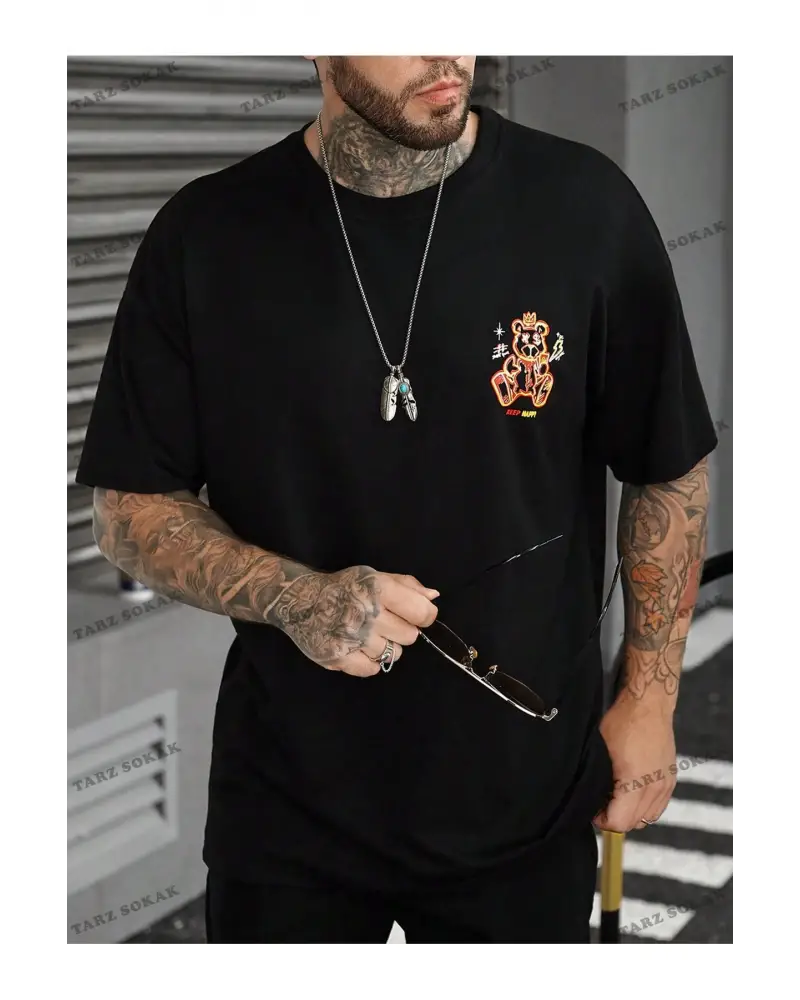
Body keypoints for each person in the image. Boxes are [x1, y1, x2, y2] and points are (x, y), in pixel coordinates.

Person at [76, 55, 717, 943]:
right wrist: (298, 597)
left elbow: (667, 467)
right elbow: (129, 506)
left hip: (525, 798)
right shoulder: (208, 234)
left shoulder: (584, 207)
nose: (446, 48)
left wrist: (648, 701)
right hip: (290, 811)